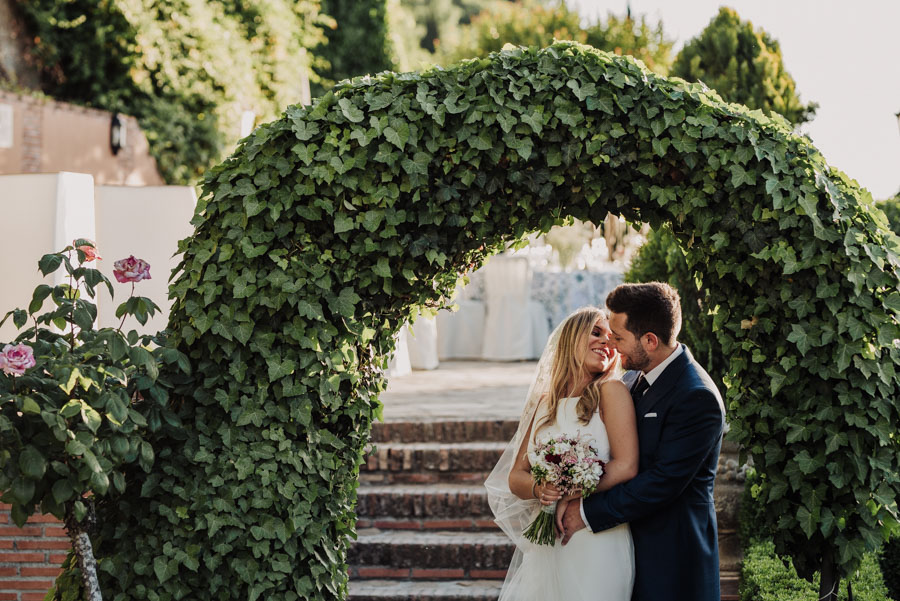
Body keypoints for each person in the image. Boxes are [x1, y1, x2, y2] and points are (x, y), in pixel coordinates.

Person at [558, 282, 726, 601]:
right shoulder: (633, 378)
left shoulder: (696, 397)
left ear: (649, 340)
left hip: (672, 562)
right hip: (627, 548)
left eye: (618, 337)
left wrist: (585, 512)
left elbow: (662, 482)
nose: (611, 344)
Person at [485, 306, 638, 601]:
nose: (605, 342)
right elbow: (516, 476)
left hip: (597, 537)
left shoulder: (611, 391)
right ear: (571, 338)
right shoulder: (543, 403)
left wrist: (572, 492)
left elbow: (627, 465)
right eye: (596, 332)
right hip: (549, 544)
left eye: (611, 338)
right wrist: (540, 488)